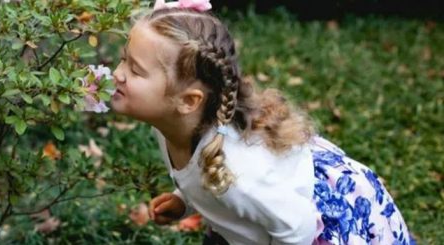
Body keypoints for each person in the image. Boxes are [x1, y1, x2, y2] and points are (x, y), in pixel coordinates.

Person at [110, 0, 413, 244]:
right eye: (125, 58)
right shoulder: (177, 127)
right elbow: (203, 180)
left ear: (188, 101)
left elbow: (299, 228)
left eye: (136, 70)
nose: (118, 73)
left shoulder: (240, 173)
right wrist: (184, 201)